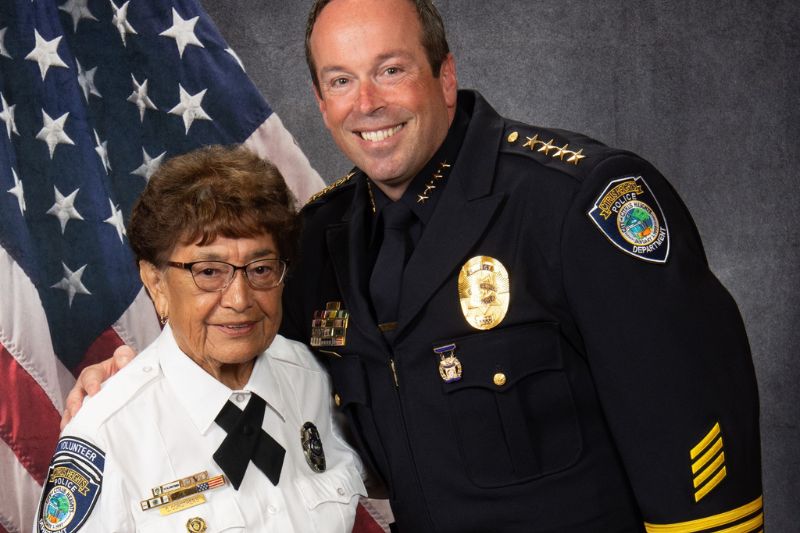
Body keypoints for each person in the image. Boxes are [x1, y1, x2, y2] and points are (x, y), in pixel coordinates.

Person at [64, 1, 764, 531]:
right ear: (322, 103)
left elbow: (694, 450)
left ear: (445, 75)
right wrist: (135, 375)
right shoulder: (320, 240)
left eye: (390, 70)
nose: (366, 103)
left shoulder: (574, 205)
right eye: (341, 80)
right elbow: (242, 351)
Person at [38, 145, 366, 533]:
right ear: (156, 283)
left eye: (261, 269)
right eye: (209, 272)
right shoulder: (106, 435)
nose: (239, 299)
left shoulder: (316, 378)